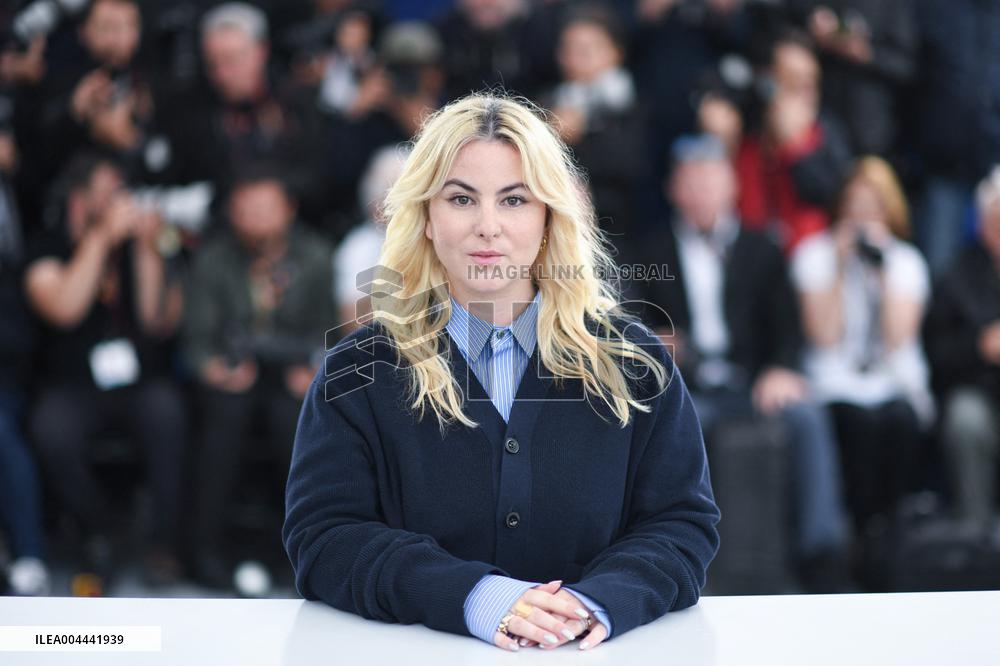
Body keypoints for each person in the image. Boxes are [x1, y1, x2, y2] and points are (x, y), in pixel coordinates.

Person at [283, 93, 720, 652]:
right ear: (426, 217)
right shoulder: (356, 371)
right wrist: (476, 597)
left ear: (548, 217)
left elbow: (682, 524)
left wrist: (596, 602)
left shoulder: (636, 363)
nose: (487, 226)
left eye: (514, 200)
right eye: (461, 199)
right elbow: (324, 538)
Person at [636, 134, 850, 591]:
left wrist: (781, 369)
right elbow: (631, 321)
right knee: (682, 426)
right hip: (686, 384)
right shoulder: (649, 251)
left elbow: (787, 328)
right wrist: (655, 343)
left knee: (807, 419)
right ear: (673, 190)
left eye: (710, 182)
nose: (701, 194)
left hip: (752, 379)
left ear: (732, 187)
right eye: (691, 183)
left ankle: (821, 552)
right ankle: (691, 554)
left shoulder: (762, 248)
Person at [22, 152, 187, 587]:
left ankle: (162, 544)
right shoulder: (48, 245)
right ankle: (101, 527)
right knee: (51, 432)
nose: (123, 201)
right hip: (71, 383)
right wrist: (98, 239)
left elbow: (155, 322)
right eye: (111, 193)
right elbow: (64, 309)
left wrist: (148, 252)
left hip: (136, 381)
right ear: (80, 200)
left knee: (168, 413)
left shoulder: (132, 246)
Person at [183, 164, 336, 588]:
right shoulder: (214, 258)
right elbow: (197, 336)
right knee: (223, 423)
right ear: (231, 214)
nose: (257, 221)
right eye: (246, 211)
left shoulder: (316, 256)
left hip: (293, 369)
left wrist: (316, 371)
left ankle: (300, 549)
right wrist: (212, 368)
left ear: (289, 209)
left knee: (300, 424)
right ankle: (206, 549)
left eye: (266, 209)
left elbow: (330, 331)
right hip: (233, 370)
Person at [790, 156, 933, 539]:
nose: (863, 221)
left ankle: (889, 532)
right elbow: (823, 336)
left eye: (873, 210)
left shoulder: (906, 261)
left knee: (899, 421)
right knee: (856, 425)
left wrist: (882, 275)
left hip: (892, 380)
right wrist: (839, 269)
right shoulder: (815, 254)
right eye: (855, 209)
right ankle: (855, 532)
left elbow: (897, 340)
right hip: (835, 383)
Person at [924, 166, 1000, 529]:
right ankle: (976, 533)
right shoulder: (956, 276)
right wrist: (980, 347)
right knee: (966, 419)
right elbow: (935, 354)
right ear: (983, 225)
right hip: (978, 390)